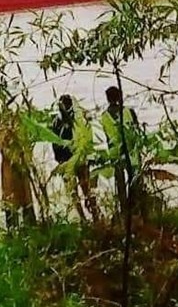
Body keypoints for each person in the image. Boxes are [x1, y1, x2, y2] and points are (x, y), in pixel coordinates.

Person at [51, 95, 101, 222]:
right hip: (75, 160)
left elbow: (55, 143)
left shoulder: (62, 121)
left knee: (82, 191)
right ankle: (90, 217)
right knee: (82, 191)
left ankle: (91, 217)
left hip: (73, 161)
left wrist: (60, 160)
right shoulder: (73, 120)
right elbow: (88, 137)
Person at [102, 86, 141, 216]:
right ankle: (134, 207)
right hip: (131, 151)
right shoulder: (129, 112)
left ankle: (124, 210)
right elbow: (137, 130)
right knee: (134, 181)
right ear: (120, 96)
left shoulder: (104, 116)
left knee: (120, 184)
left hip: (115, 153)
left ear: (107, 99)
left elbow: (108, 137)